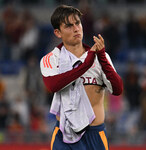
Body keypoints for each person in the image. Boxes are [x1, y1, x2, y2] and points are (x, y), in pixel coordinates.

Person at [40, 5, 123, 150]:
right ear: (57, 32)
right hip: (64, 136)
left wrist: (101, 57)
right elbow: (53, 85)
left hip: (94, 136)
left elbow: (118, 89)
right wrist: (85, 65)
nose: (76, 28)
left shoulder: (100, 57)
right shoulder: (51, 59)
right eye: (69, 26)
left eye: (77, 23)